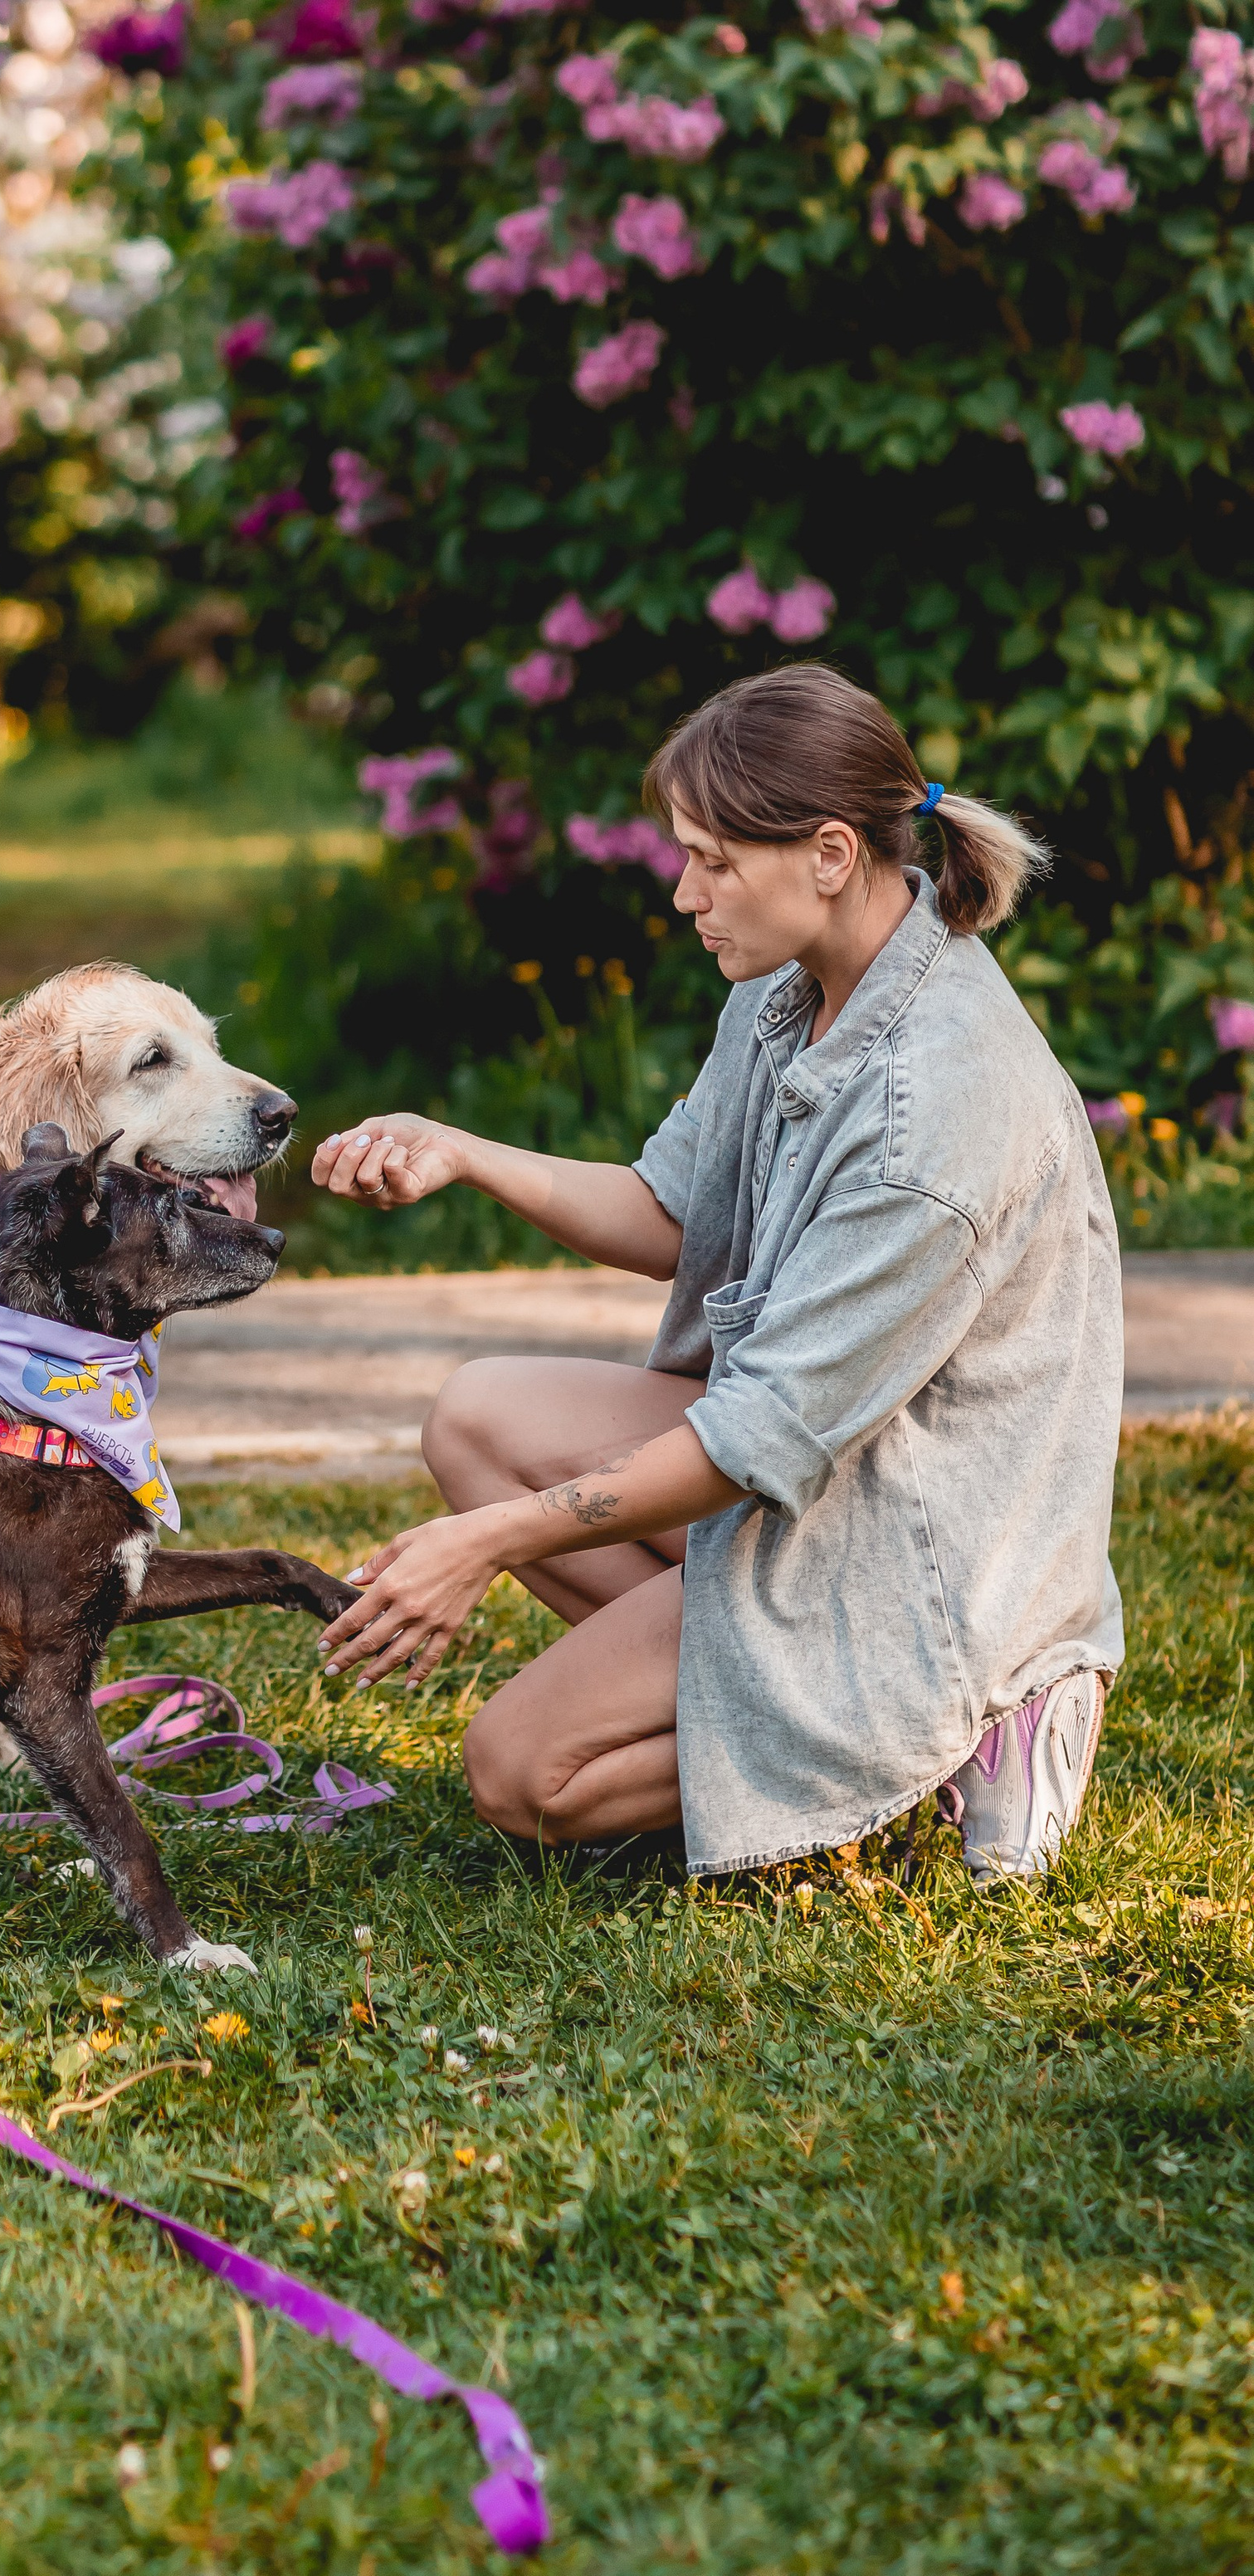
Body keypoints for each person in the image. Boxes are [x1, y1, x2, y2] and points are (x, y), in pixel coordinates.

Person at [312, 662, 1123, 1886]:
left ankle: (948, 1742)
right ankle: (785, 1712)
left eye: (713, 861)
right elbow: (670, 1210)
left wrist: (486, 1543)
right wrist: (462, 1153)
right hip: (825, 1473)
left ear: (831, 855)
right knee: (479, 1418)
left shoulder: (931, 1117)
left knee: (522, 1772)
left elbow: (755, 1440)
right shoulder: (796, 983)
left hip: (919, 1553)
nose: (685, 892)